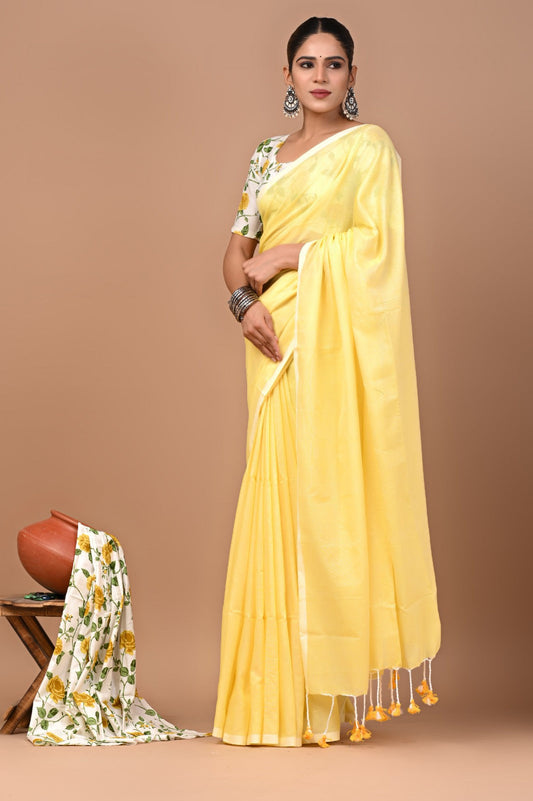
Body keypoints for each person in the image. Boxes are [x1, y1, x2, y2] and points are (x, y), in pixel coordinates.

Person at [212, 16, 441, 748]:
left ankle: (319, 700)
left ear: (352, 75)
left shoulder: (369, 149)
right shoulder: (264, 157)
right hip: (271, 339)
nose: (319, 76)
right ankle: (267, 697)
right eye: (306, 64)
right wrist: (243, 305)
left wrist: (289, 256)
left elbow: (376, 249)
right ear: (286, 77)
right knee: (274, 498)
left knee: (325, 497)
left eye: (333, 64)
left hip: (328, 337)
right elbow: (234, 250)